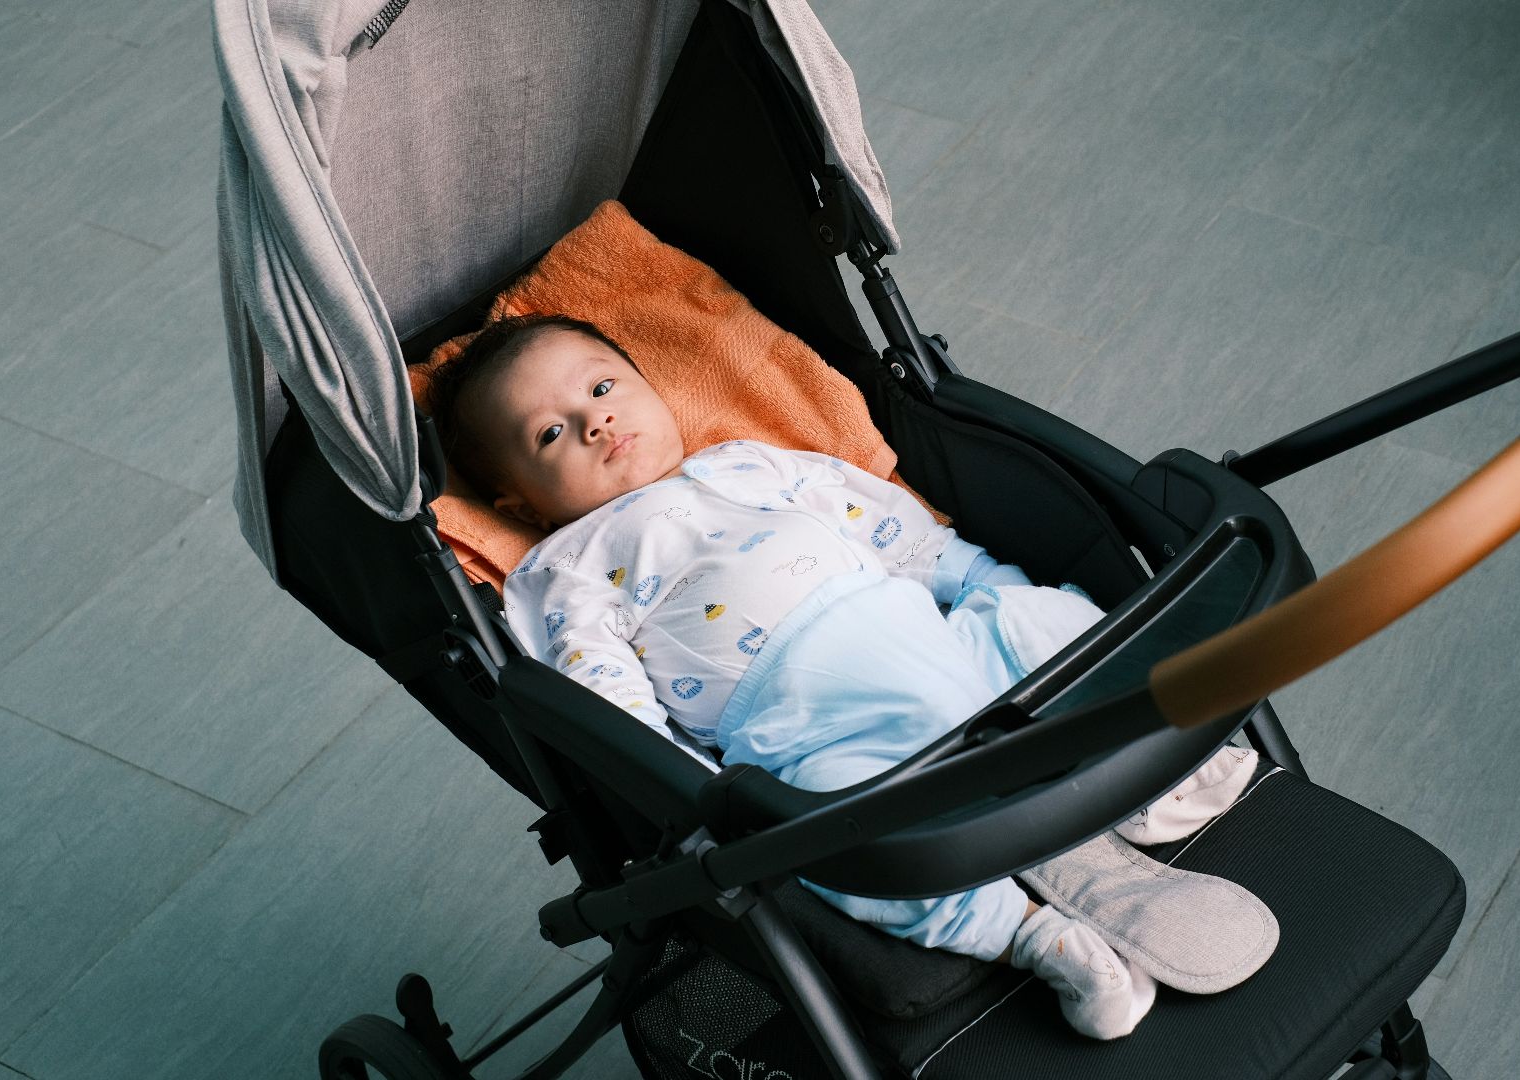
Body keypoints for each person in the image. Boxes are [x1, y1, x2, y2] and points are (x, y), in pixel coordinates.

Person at [433, 314, 1262, 1039]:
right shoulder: (568, 568)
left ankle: (1155, 780)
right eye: (550, 433)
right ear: (518, 508)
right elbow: (607, 701)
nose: (594, 421)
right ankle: (1031, 935)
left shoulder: (745, 465)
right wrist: (694, 795)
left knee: (1047, 616)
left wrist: (981, 584)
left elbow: (891, 528)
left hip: (937, 642)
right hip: (816, 732)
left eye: (605, 386)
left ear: (651, 385)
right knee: (839, 844)